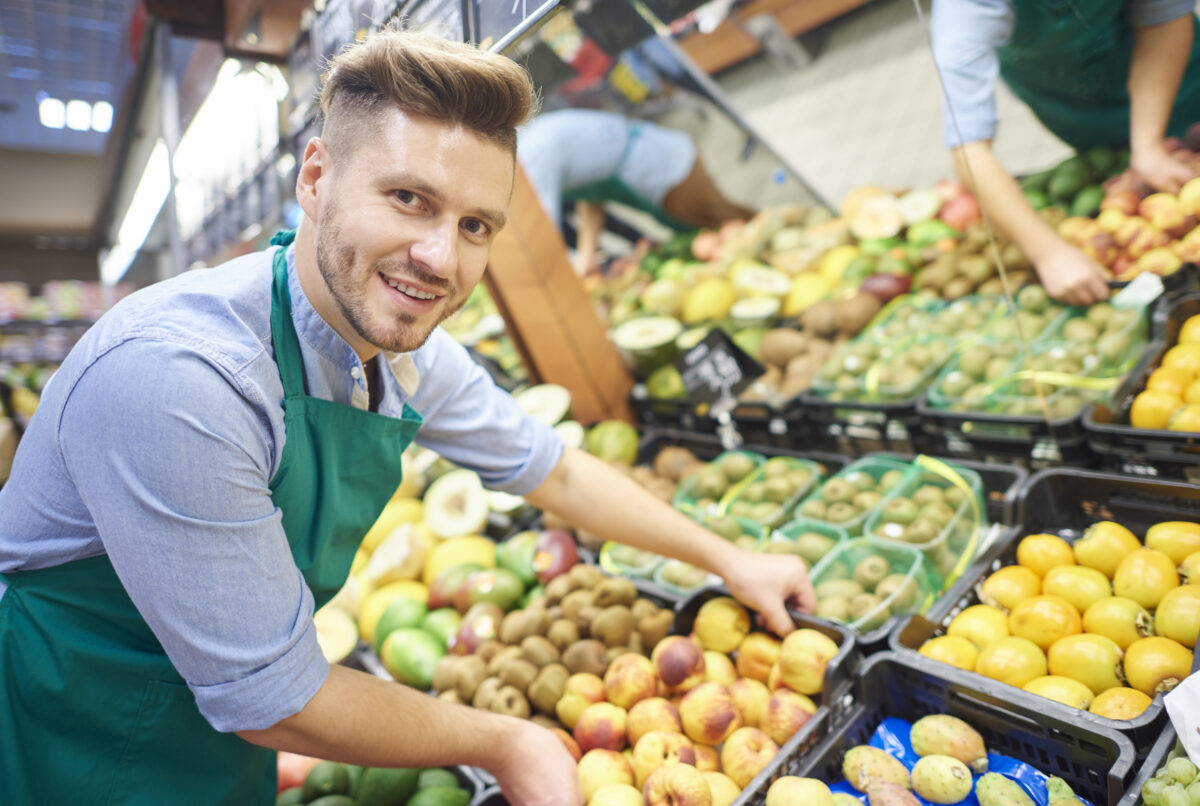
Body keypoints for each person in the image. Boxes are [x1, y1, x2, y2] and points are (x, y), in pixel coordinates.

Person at [0, 28, 814, 806]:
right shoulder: (183, 380)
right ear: (315, 178)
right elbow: (272, 702)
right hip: (65, 732)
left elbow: (551, 467)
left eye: (474, 227)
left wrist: (729, 558)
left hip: (212, 724)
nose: (441, 258)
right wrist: (505, 740)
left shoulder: (401, 350)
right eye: (407, 199)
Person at [930, 0, 1200, 305]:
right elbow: (968, 148)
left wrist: (1148, 145)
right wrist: (1049, 253)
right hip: (1072, 98)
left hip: (1175, 70)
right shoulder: (966, 8)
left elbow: (1163, 17)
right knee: (1110, 161)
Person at [518, 108, 755, 275]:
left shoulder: (532, 156)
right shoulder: (532, 145)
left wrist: (576, 266)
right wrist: (586, 257)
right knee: (715, 239)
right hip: (659, 173)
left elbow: (545, 236)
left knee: (733, 230)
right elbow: (590, 201)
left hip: (668, 169)